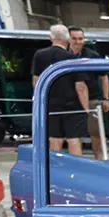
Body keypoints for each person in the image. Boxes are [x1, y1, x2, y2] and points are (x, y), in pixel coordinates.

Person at [31, 24, 89, 157]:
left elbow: (36, 81)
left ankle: (54, 166)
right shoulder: (72, 58)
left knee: (54, 139)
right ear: (68, 39)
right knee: (74, 139)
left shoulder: (39, 55)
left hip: (50, 104)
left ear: (50, 37)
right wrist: (86, 109)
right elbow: (80, 86)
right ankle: (76, 166)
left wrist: (40, 102)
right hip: (72, 106)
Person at [68, 26, 109, 159]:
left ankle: (100, 160)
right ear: (68, 39)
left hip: (92, 100)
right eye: (74, 39)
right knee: (73, 134)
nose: (78, 42)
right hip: (70, 101)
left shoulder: (92, 55)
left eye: (80, 39)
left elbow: (104, 77)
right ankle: (77, 160)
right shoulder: (64, 55)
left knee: (96, 133)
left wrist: (106, 98)